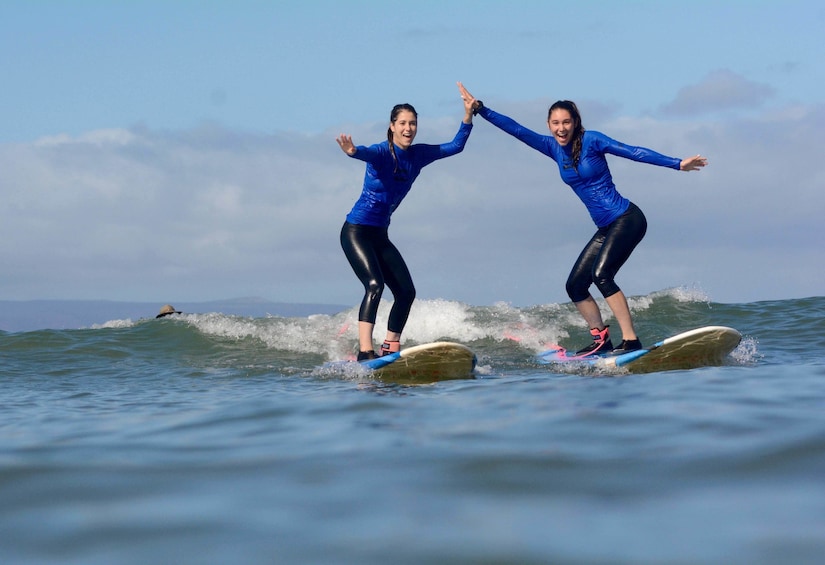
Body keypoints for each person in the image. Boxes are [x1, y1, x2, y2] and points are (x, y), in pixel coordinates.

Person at [457, 82, 707, 356]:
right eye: (555, 123)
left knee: (602, 275)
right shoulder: (552, 148)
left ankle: (631, 340)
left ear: (575, 122)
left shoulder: (593, 140)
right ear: (549, 125)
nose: (561, 128)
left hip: (627, 218)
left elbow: (633, 151)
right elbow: (516, 129)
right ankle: (601, 339)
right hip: (606, 226)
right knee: (575, 285)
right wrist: (480, 109)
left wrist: (677, 163)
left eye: (566, 122)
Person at [337, 86, 475, 361]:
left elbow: (455, 146)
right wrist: (352, 151)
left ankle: (390, 347)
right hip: (356, 231)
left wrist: (468, 116)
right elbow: (364, 152)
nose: (408, 128)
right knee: (375, 285)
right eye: (403, 123)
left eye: (413, 123)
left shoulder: (418, 155)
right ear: (392, 126)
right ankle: (365, 351)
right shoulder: (380, 152)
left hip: (380, 235)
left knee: (406, 292)